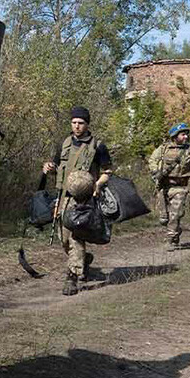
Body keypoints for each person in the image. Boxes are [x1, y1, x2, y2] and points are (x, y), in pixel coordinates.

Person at [42, 106, 112, 295]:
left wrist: (97, 185)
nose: (77, 126)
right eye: (74, 122)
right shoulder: (64, 143)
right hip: (63, 197)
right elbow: (57, 167)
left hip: (84, 200)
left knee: (76, 237)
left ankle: (72, 277)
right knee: (64, 239)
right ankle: (83, 259)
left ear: (87, 124)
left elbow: (107, 172)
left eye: (81, 123)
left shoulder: (98, 146)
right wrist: (49, 168)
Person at [148, 122, 190, 250]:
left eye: (186, 135)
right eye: (183, 134)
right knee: (164, 218)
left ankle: (170, 240)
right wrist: (155, 172)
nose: (186, 137)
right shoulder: (163, 149)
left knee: (175, 214)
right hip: (164, 186)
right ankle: (175, 232)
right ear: (175, 136)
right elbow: (152, 161)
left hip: (181, 187)